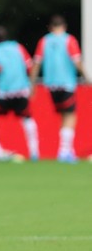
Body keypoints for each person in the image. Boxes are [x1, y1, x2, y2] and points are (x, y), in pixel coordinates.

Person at [0, 26, 39, 161]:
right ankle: (34, 153)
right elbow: (30, 66)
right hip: (21, 91)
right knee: (28, 120)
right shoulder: (18, 48)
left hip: (4, 93)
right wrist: (32, 86)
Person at [30, 15, 85, 163]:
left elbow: (36, 64)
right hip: (66, 83)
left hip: (51, 85)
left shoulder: (44, 41)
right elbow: (77, 61)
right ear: (64, 26)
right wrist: (87, 76)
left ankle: (67, 150)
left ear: (50, 27)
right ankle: (64, 151)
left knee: (64, 115)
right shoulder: (69, 40)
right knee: (70, 115)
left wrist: (32, 84)